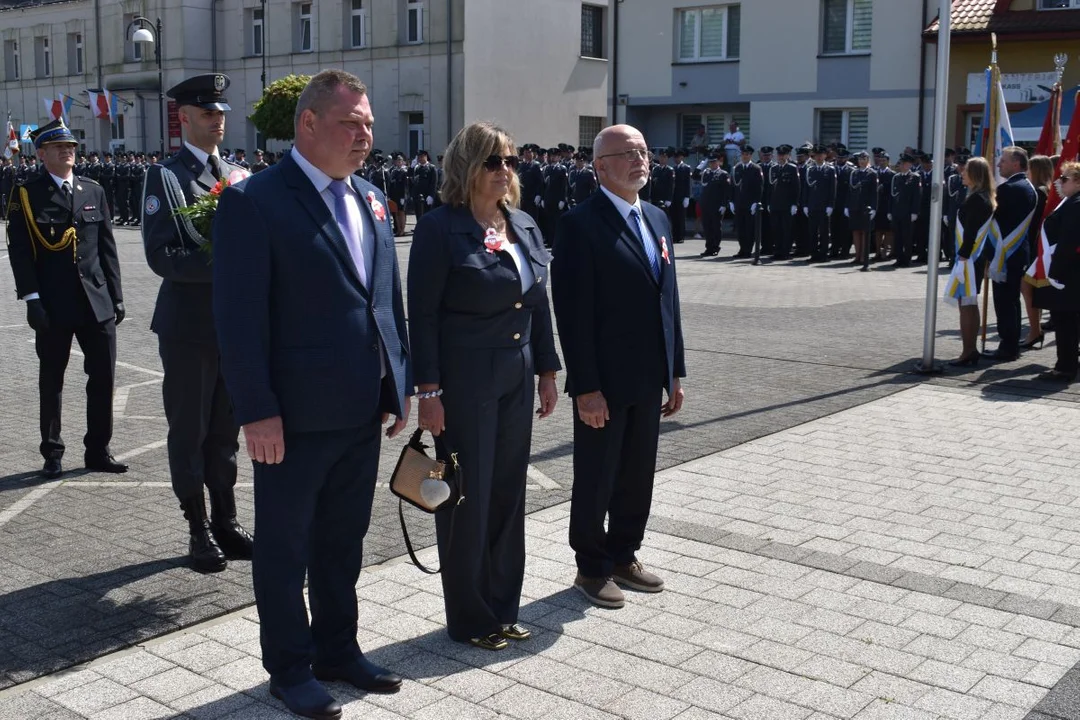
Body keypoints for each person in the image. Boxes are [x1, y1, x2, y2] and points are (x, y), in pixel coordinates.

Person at [212, 69, 411, 718]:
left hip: (360, 408)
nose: (364, 135)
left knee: (342, 542)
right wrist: (257, 411)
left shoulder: (372, 198)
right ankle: (290, 668)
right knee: (284, 548)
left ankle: (337, 650)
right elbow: (238, 320)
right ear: (308, 123)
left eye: (369, 124)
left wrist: (397, 381)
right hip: (292, 419)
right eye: (350, 123)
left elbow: (385, 300)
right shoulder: (256, 201)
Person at [408, 122, 560, 651]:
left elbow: (538, 303)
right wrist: (428, 393)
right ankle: (470, 617)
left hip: (517, 374)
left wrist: (547, 371)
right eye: (493, 161)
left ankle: (502, 608)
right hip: (464, 381)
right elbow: (423, 315)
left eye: (511, 161)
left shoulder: (523, 223)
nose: (504, 170)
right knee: (466, 497)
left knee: (508, 493)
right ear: (467, 166)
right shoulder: (439, 228)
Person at [551, 124, 686, 609]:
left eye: (643, 151)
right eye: (627, 153)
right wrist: (586, 386)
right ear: (600, 167)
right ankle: (591, 566)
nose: (639, 160)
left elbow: (668, 300)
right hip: (604, 381)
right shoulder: (580, 224)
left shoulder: (657, 217)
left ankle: (624, 553)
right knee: (597, 474)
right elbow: (572, 314)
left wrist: (675, 371)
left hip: (649, 376)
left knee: (637, 473)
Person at [141, 73, 254, 573]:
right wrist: (227, 263)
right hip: (188, 327)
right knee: (190, 430)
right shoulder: (166, 178)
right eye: (208, 113)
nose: (218, 120)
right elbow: (162, 256)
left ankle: (226, 521)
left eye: (221, 112)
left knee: (226, 432)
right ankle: (198, 528)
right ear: (183, 117)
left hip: (233, 327)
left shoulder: (239, 173)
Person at [5, 118, 127, 479]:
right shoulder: (27, 194)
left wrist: (117, 296)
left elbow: (107, 248)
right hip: (53, 304)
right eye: (59, 147)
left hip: (96, 301)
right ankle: (53, 452)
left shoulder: (93, 190)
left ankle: (98, 450)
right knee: (52, 380)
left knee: (103, 377)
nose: (67, 152)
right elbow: (20, 253)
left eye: (71, 147)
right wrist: (32, 299)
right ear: (42, 154)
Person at [987, 147, 1037, 361]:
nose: (999, 165)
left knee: (1005, 302)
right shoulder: (1028, 186)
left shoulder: (1008, 189)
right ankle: (1010, 344)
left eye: (1003, 161)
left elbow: (993, 217)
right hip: (1018, 252)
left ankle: (1007, 347)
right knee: (1012, 301)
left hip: (1006, 253)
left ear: (1016, 164)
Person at [946, 156, 995, 367]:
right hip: (972, 258)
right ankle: (970, 349)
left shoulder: (977, 200)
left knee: (966, 303)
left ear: (975, 174)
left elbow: (971, 232)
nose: (962, 173)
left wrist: (963, 257)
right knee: (969, 302)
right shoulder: (981, 197)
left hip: (969, 258)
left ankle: (968, 351)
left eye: (966, 170)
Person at [1036, 161, 1080, 382]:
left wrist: (1055, 272)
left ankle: (1065, 367)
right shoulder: (1070, 202)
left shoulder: (1075, 205)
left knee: (1065, 320)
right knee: (1068, 320)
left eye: (1064, 179)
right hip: (1069, 270)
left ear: (1078, 182)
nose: (1059, 182)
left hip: (1068, 273)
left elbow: (1068, 242)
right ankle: (1068, 363)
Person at [1021, 154, 1052, 349]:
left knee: (1027, 288)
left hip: (1035, 246)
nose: (1027, 172)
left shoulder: (1039, 192)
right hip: (1039, 246)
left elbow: (1033, 223)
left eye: (1030, 168)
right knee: (1032, 289)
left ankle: (1035, 331)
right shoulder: (1046, 190)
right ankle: (1035, 330)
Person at [847, 151, 878, 268]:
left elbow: (874, 193)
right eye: (860, 159)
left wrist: (874, 208)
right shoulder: (854, 173)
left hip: (866, 207)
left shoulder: (872, 174)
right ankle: (857, 255)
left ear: (868, 160)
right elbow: (849, 191)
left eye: (864, 159)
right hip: (854, 206)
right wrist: (847, 206)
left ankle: (864, 257)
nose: (861, 161)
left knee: (865, 232)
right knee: (855, 231)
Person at [890, 153, 921, 267]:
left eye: (904, 163)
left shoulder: (915, 177)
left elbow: (917, 196)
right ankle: (899, 258)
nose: (902, 165)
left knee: (907, 237)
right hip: (896, 211)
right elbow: (892, 195)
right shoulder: (896, 177)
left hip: (908, 212)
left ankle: (907, 259)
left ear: (910, 165)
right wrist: (890, 210)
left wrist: (914, 212)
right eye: (901, 163)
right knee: (897, 237)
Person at [806, 144, 836, 263]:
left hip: (824, 205)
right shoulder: (810, 169)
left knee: (824, 232)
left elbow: (832, 189)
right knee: (812, 231)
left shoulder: (830, 170)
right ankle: (813, 254)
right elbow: (806, 189)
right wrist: (805, 204)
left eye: (821, 155)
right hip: (812, 205)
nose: (819, 157)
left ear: (825, 155)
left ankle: (823, 254)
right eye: (817, 155)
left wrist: (830, 205)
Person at [769, 144, 800, 260]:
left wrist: (794, 204)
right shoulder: (773, 168)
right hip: (775, 204)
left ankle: (785, 251)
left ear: (787, 156)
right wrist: (769, 202)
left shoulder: (792, 168)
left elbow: (796, 187)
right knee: (776, 229)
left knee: (786, 229)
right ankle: (777, 251)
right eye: (779, 155)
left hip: (787, 204)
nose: (781, 157)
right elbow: (769, 188)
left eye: (783, 155)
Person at [731, 145, 762, 259]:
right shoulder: (737, 168)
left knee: (749, 228)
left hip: (750, 204)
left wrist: (756, 202)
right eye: (743, 154)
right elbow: (733, 186)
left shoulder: (756, 168)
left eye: (747, 154)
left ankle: (748, 250)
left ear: (750, 155)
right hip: (739, 203)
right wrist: (731, 201)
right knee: (740, 228)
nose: (744, 156)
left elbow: (759, 187)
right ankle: (742, 249)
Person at [698, 153, 730, 257]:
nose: (712, 164)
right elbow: (694, 176)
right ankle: (709, 248)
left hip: (717, 205)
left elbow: (726, 191)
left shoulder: (723, 174)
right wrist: (701, 166)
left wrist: (724, 204)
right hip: (705, 204)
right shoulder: (706, 173)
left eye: (714, 162)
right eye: (710, 162)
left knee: (716, 227)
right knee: (707, 227)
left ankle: (715, 247)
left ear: (718, 162)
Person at [412, 149, 438, 222]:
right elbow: (413, 181)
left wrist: (431, 195)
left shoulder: (431, 168)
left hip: (427, 196)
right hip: (418, 196)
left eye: (421, 157)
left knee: (427, 216)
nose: (420, 159)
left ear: (425, 157)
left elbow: (434, 183)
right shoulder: (417, 168)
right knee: (418, 215)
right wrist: (411, 167)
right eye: (418, 157)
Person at [388, 152, 410, 236]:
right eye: (398, 161)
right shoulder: (393, 171)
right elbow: (390, 184)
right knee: (396, 212)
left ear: (403, 162)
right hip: (395, 194)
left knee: (401, 212)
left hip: (402, 195)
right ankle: (399, 229)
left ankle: (402, 230)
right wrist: (389, 195)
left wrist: (404, 196)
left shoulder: (405, 171)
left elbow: (406, 185)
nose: (399, 162)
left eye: (400, 161)